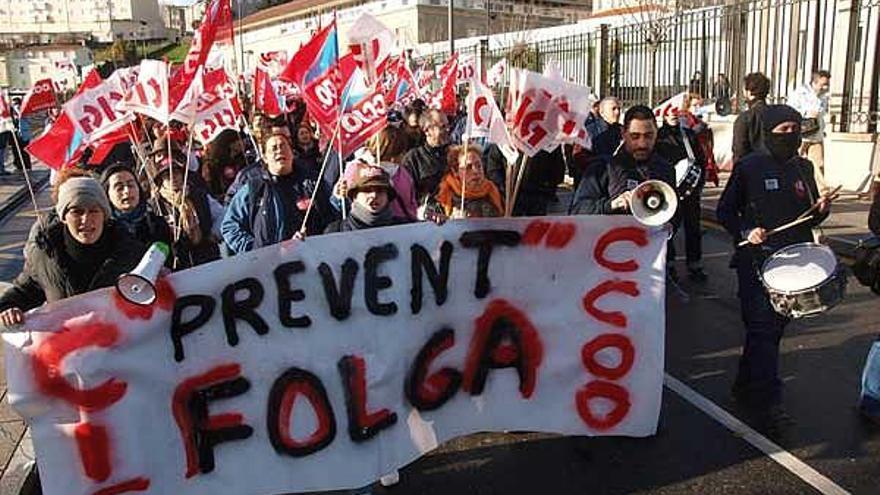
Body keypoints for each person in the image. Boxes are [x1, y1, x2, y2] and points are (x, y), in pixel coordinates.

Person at [716, 104, 832, 431]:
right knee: (763, 328)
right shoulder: (749, 167)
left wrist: (822, 210)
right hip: (756, 262)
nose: (790, 136)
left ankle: (744, 385)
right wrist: (744, 231)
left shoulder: (804, 168)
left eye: (794, 130)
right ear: (768, 132)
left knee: (770, 332)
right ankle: (770, 401)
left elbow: (809, 217)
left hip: (794, 264)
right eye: (782, 131)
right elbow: (725, 211)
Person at [0, 171, 146, 326]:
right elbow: (25, 292)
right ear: (63, 216)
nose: (86, 219)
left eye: (94, 211)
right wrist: (8, 308)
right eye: (77, 211)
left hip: (118, 345)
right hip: (67, 347)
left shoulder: (131, 251)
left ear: (104, 214)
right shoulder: (44, 254)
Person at [222, 128, 335, 254]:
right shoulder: (254, 188)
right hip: (270, 265)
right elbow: (229, 226)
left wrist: (339, 199)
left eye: (283, 146)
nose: (279, 151)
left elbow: (332, 215)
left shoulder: (313, 182)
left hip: (313, 259)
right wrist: (254, 250)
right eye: (273, 148)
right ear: (265, 158)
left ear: (292, 152)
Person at [569, 105, 675, 217]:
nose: (642, 144)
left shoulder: (666, 170)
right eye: (635, 136)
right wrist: (610, 205)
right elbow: (577, 210)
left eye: (648, 136)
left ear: (656, 133)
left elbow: (673, 216)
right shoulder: (602, 168)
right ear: (623, 134)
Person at [656, 106, 709, 282]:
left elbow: (700, 160)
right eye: (669, 111)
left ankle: (695, 264)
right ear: (663, 114)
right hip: (668, 190)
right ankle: (669, 264)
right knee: (669, 228)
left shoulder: (688, 135)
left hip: (690, 190)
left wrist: (699, 183)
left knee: (693, 227)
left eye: (675, 112)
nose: (673, 115)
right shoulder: (658, 136)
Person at [149, 150, 224, 270]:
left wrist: (213, 234)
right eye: (168, 176)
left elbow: (223, 215)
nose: (174, 178)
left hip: (209, 260)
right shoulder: (155, 206)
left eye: (177, 173)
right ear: (161, 181)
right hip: (178, 268)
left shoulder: (199, 195)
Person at [100, 162, 172, 248]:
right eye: (119, 188)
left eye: (131, 185)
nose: (127, 191)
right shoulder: (103, 233)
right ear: (107, 194)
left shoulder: (157, 224)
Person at [325, 166, 411, 233]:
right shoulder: (335, 231)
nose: (374, 195)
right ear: (354, 196)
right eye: (367, 190)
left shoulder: (406, 229)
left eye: (380, 190)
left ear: (388, 196)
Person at [788, 70, 831, 194]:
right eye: (823, 84)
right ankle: (792, 188)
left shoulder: (824, 96)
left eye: (827, 84)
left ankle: (822, 192)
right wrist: (807, 113)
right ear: (815, 82)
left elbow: (823, 114)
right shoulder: (800, 93)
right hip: (801, 134)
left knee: (819, 164)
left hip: (816, 135)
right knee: (794, 162)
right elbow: (791, 110)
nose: (825, 87)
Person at [435, 144, 504, 219]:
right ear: (455, 171)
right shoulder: (445, 194)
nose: (476, 171)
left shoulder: (492, 191)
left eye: (478, 165)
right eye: (468, 167)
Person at [402, 108, 450, 207]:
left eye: (448, 125)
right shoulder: (413, 158)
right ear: (427, 130)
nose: (447, 129)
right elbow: (407, 194)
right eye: (442, 127)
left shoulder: (455, 153)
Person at [732, 72, 770, 164]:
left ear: (749, 92)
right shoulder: (776, 115)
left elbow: (739, 151)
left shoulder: (744, 119)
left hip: (750, 170)